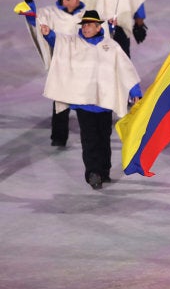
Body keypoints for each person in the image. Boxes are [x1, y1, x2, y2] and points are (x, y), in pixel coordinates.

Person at [40, 10, 142, 189]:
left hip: (104, 103)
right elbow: (59, 41)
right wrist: (49, 34)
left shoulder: (110, 46)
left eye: (89, 25)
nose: (85, 28)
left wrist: (135, 90)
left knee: (104, 138)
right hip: (84, 103)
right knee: (89, 140)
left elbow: (125, 68)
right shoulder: (73, 43)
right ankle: (93, 173)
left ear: (98, 27)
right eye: (84, 25)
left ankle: (104, 171)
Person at [21, 0, 87, 147]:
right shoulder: (50, 14)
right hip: (62, 65)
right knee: (61, 101)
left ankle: (89, 134)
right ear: (65, 1)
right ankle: (59, 137)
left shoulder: (86, 13)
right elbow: (34, 19)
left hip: (84, 65)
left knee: (86, 101)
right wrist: (29, 3)